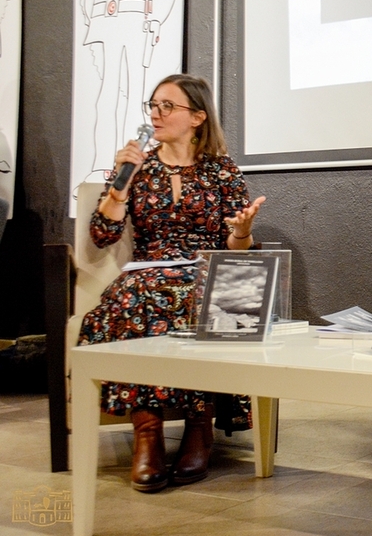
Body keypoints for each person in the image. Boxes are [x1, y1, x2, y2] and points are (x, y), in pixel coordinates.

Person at [77, 74, 265, 493]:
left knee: (199, 297)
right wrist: (122, 183)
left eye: (168, 106)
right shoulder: (134, 168)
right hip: (146, 272)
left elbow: (239, 252)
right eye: (153, 105)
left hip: (204, 269)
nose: (156, 114)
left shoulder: (222, 171)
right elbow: (102, 235)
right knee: (136, 296)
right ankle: (149, 434)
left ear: (197, 117)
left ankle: (200, 426)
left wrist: (242, 230)